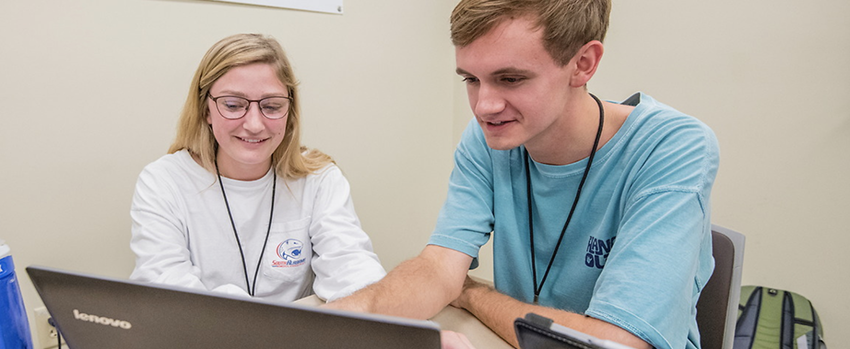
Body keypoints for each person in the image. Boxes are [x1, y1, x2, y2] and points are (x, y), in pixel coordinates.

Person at [327, 1, 719, 349]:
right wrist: (327, 326)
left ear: (583, 64)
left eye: (510, 79)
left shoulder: (673, 146)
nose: (484, 106)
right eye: (471, 79)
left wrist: (474, 296)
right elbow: (438, 268)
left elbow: (615, 343)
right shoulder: (490, 138)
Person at [129, 33, 386, 303]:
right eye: (233, 105)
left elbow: (353, 270)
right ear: (206, 109)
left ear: (290, 112)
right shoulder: (163, 182)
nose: (254, 124)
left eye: (272, 106)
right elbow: (168, 290)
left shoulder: (319, 179)